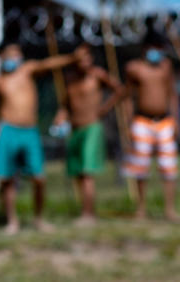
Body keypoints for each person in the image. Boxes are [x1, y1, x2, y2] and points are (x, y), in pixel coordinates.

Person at [0, 42, 81, 234]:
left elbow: (48, 64)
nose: (15, 58)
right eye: (11, 54)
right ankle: (11, 221)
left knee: (39, 178)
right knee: (7, 179)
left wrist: (71, 58)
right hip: (8, 130)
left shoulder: (27, 71)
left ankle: (39, 219)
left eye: (17, 53)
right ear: (1, 57)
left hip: (29, 130)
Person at [55, 43, 125, 225]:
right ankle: (84, 210)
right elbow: (65, 105)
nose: (83, 61)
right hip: (74, 128)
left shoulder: (97, 75)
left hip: (92, 126)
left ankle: (88, 214)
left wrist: (104, 108)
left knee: (87, 172)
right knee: (77, 172)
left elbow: (119, 90)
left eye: (86, 57)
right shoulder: (69, 80)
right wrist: (60, 118)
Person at [123, 31, 180, 221]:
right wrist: (127, 123)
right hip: (142, 120)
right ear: (146, 48)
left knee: (168, 166)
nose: (158, 52)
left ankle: (170, 209)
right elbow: (128, 97)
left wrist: (176, 120)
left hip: (164, 120)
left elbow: (172, 93)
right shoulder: (134, 68)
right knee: (140, 167)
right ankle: (141, 208)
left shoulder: (166, 67)